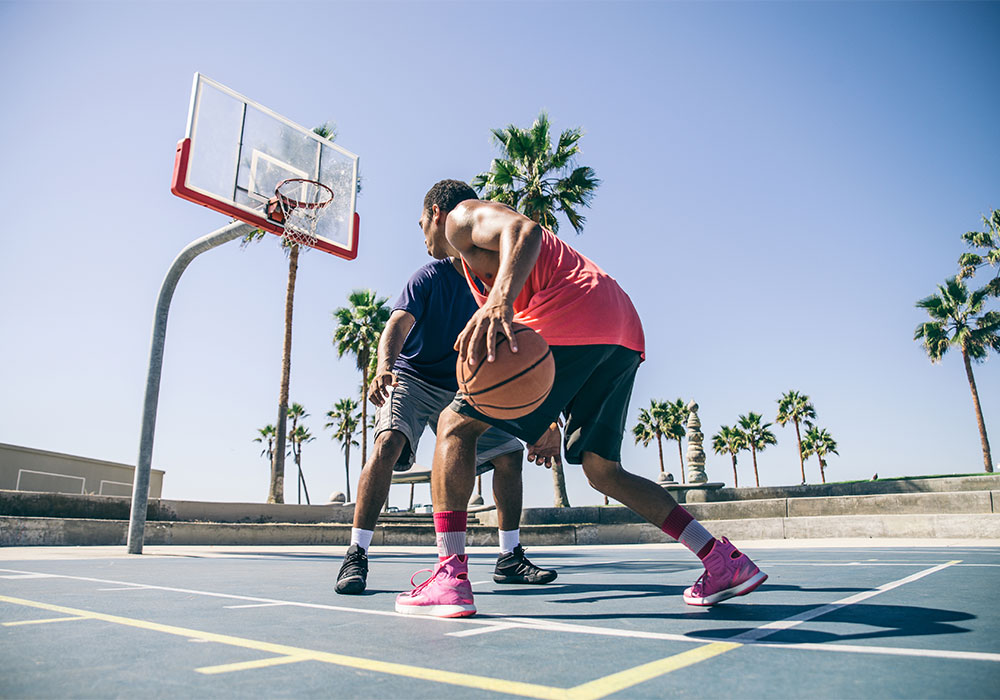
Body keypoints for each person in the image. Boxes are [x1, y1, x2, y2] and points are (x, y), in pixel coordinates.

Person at [394, 180, 767, 618]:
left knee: (455, 425)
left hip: (573, 311)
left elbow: (526, 230)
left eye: (420, 221)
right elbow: (540, 368)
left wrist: (499, 302)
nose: (420, 232)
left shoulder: (461, 218)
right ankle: (720, 559)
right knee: (602, 470)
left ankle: (449, 578)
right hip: (621, 328)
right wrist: (545, 419)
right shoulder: (472, 267)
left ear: (436, 212)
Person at [334, 252, 557, 595]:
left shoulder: (495, 283)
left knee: (509, 456)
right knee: (388, 442)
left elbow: (524, 354)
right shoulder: (428, 276)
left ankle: (509, 556)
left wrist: (542, 416)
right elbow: (398, 323)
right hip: (412, 377)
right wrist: (384, 367)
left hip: (465, 387)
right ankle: (356, 553)